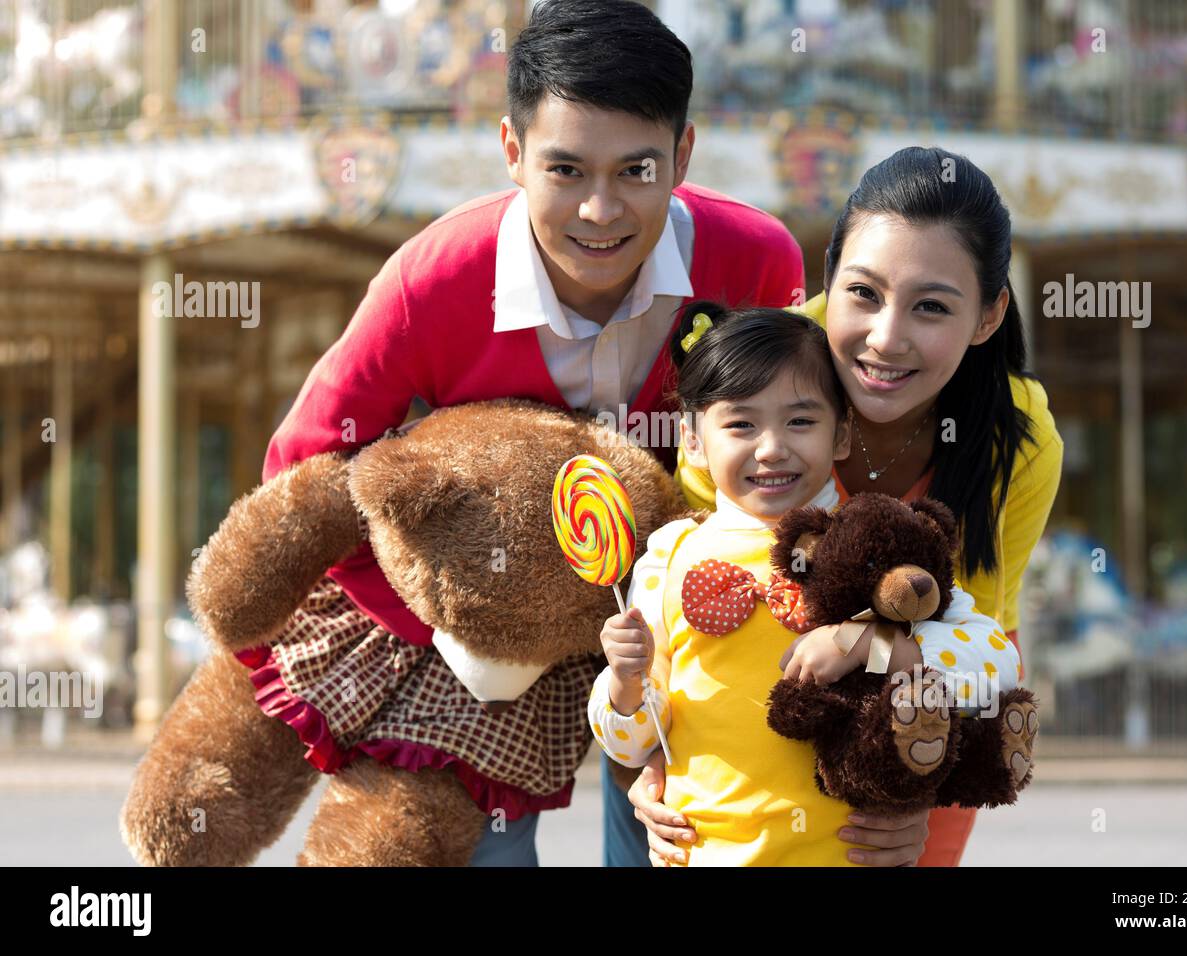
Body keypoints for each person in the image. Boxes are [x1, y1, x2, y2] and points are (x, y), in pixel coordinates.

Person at [254, 0, 804, 866]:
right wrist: (445, 614)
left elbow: (785, 458)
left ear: (683, 155)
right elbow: (303, 463)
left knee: (680, 845)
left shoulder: (755, 263)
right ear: (511, 152)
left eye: (635, 170)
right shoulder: (432, 284)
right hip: (486, 641)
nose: (599, 210)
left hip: (681, 630)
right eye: (564, 169)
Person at [612, 146, 1064, 867]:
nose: (885, 337)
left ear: (988, 315)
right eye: (863, 294)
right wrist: (651, 764)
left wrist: (874, 651)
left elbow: (982, 641)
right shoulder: (757, 387)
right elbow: (693, 641)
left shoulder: (1023, 439)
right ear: (827, 284)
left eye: (932, 307)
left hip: (921, 730)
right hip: (724, 785)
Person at [587, 301, 1024, 865]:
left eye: (800, 420)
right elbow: (635, 742)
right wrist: (623, 684)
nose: (771, 447)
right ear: (692, 440)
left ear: (841, 433)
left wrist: (869, 644)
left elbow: (995, 669)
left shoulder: (884, 541)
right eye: (741, 423)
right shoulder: (668, 560)